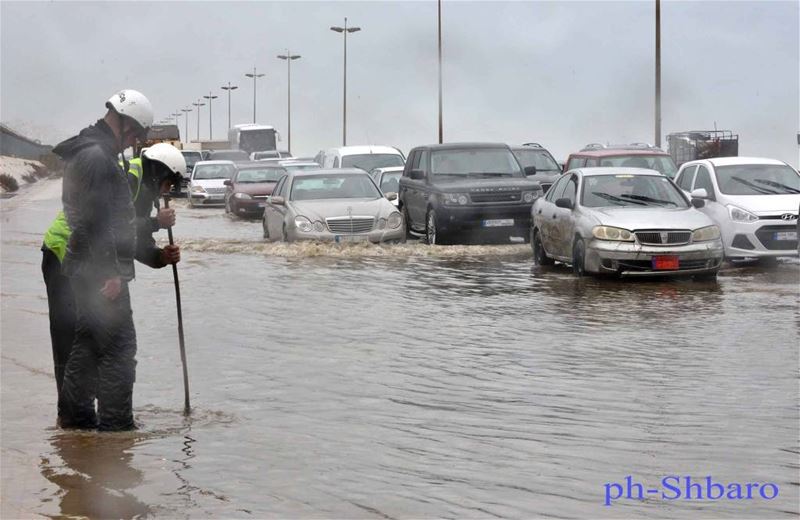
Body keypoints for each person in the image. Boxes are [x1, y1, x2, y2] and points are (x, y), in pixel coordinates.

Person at [49, 89, 159, 431]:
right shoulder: (97, 157)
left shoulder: (92, 152)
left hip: (87, 267)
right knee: (118, 349)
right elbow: (92, 219)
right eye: (135, 134)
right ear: (125, 122)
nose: (133, 142)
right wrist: (110, 272)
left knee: (88, 344)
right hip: (98, 269)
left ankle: (76, 421)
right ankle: (115, 429)